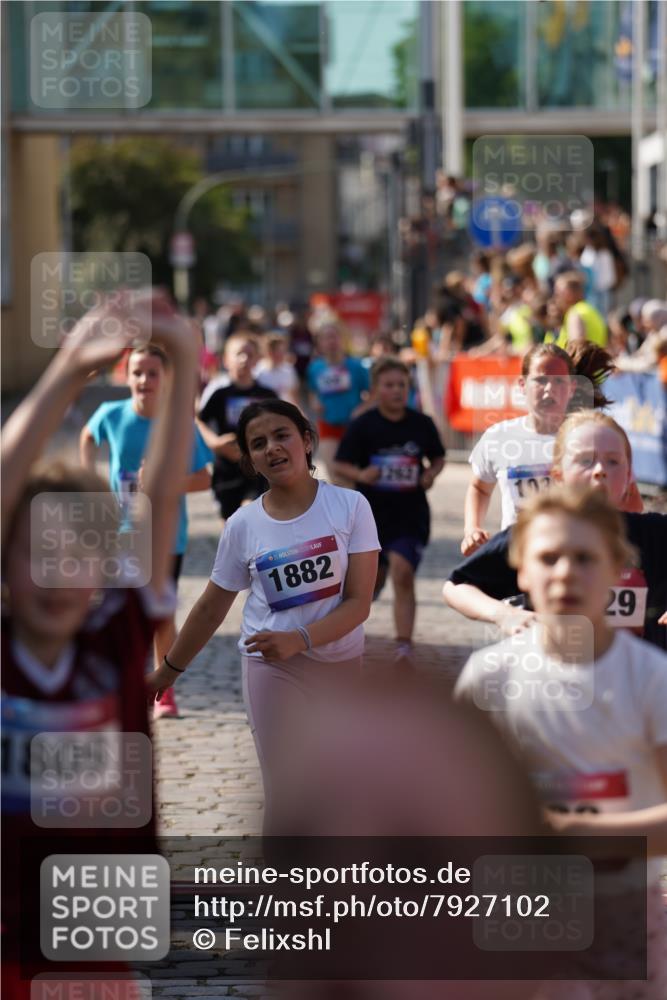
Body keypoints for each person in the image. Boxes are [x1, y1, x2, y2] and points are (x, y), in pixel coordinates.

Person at [1, 291, 198, 997]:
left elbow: (160, 496)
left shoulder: (116, 632)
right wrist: (68, 369)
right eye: (36, 553)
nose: (55, 575)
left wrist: (183, 358)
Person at [454, 487, 667, 1000]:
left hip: (629, 915)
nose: (567, 572)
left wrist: (576, 831)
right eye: (548, 558)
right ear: (521, 571)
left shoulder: (651, 678)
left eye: (585, 558)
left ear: (618, 568)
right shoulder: (489, 676)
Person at [146, 400, 380, 826]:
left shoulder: (350, 507)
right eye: (258, 443)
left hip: (340, 664)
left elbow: (358, 603)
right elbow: (211, 605)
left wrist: (301, 638)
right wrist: (168, 671)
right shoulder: (243, 525)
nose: (271, 447)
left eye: (281, 435)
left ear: (306, 441)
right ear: (251, 461)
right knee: (286, 788)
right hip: (272, 668)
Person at [444, 411, 667, 649]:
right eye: (586, 460)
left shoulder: (654, 533)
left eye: (613, 461)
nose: (600, 470)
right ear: (558, 475)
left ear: (628, 475)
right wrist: (504, 614)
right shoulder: (536, 535)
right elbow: (457, 587)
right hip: (552, 678)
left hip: (639, 681)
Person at [80, 343, 213, 719]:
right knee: (116, 609)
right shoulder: (111, 413)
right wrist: (87, 479)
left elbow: (204, 479)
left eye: (152, 372)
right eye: (137, 372)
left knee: (159, 615)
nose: (144, 380)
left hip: (168, 535)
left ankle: (163, 691)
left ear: (165, 378)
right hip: (119, 530)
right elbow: (88, 437)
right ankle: (120, 683)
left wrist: (164, 483)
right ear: (126, 376)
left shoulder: (178, 424)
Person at [333, 357, 445, 664]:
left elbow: (438, 457)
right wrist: (360, 475)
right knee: (373, 581)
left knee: (403, 572)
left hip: (410, 515)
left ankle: (404, 645)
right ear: (375, 389)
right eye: (389, 385)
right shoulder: (363, 425)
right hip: (372, 516)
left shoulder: (421, 424)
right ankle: (346, 634)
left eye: (402, 385)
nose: (396, 391)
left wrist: (430, 474)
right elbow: (339, 463)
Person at [461, 344, 576, 556]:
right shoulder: (499, 436)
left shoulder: (589, 438)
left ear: (572, 388)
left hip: (573, 555)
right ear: (522, 385)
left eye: (559, 381)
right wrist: (472, 528)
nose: (549, 388)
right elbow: (479, 488)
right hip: (517, 555)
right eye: (541, 380)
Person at [197, 332, 277, 521]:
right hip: (226, 470)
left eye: (249, 354)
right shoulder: (220, 394)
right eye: (238, 354)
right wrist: (215, 443)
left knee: (250, 512)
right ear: (225, 360)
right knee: (231, 525)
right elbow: (198, 421)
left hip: (258, 468)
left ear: (257, 359)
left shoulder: (267, 394)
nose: (244, 359)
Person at [306, 323, 369, 484]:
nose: (331, 341)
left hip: (354, 426)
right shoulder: (315, 368)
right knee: (334, 473)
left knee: (352, 473)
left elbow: (374, 394)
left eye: (334, 336)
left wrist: (362, 409)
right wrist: (315, 402)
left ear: (342, 340)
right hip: (328, 425)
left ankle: (356, 504)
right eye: (326, 338)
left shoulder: (356, 366)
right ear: (319, 343)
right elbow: (313, 391)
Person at [551, 271, 608, 348]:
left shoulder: (574, 314)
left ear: (569, 294)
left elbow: (577, 350)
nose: (555, 298)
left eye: (558, 293)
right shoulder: (590, 309)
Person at [254, 332, 300, 406]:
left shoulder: (289, 369)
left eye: (284, 350)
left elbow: (294, 394)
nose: (283, 354)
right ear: (269, 351)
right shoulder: (257, 371)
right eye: (279, 351)